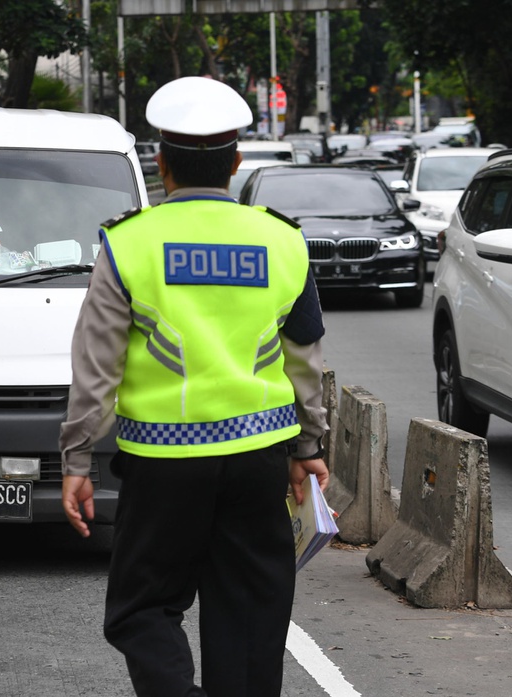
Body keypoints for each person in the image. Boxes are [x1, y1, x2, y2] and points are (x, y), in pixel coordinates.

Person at [59, 76, 331, 697]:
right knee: (249, 614)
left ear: (161, 163)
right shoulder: (283, 240)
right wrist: (308, 446)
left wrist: (76, 457)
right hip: (258, 457)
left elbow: (96, 366)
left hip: (162, 463)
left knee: (143, 607)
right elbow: (305, 358)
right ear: (236, 162)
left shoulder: (128, 243)